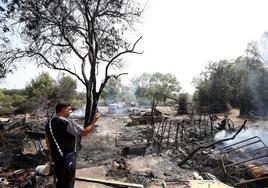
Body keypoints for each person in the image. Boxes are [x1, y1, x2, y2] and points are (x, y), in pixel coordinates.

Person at [45, 101, 100, 188]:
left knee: (60, 181)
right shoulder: (68, 122)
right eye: (69, 109)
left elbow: (47, 141)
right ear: (63, 109)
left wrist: (51, 156)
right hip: (68, 159)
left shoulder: (49, 124)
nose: (71, 111)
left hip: (56, 159)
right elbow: (84, 133)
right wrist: (94, 121)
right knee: (68, 182)